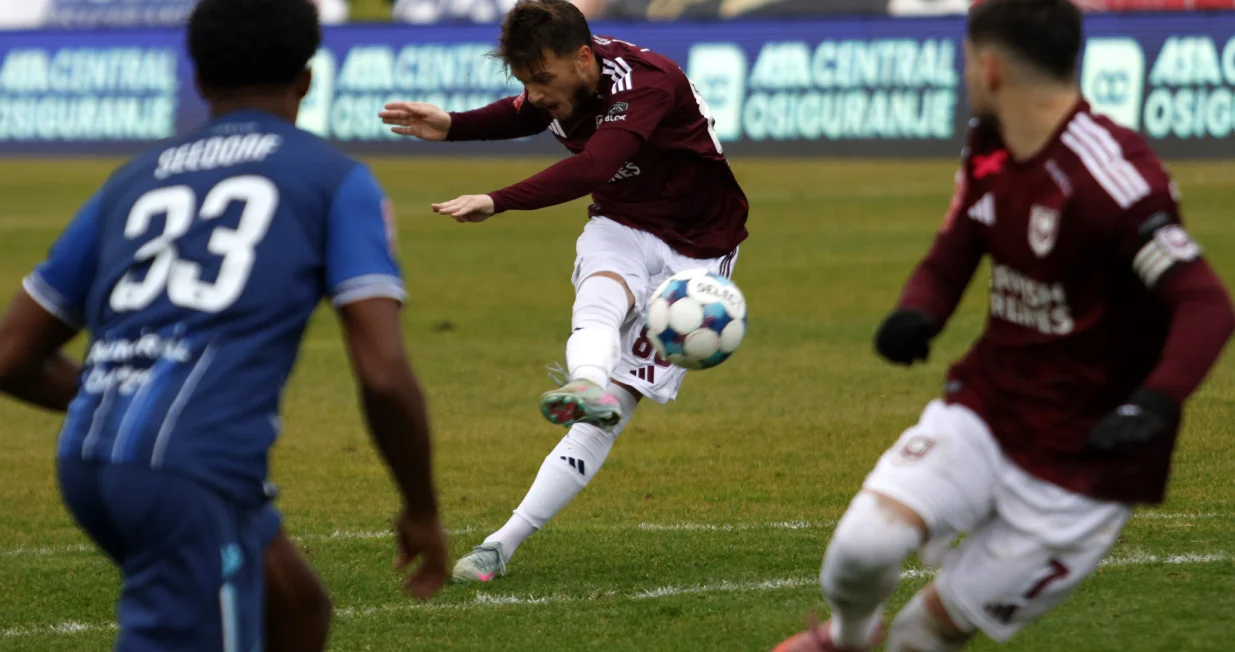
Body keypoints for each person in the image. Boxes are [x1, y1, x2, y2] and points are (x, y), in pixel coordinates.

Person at [774, 1, 1235, 650]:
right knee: (861, 547)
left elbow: (1206, 303)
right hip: (989, 408)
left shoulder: (1110, 178)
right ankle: (844, 639)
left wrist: (1154, 403)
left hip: (1084, 467)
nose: (964, 74)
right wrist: (919, 310)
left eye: (966, 60)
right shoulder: (990, 144)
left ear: (988, 67)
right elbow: (955, 246)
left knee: (917, 641)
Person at [0, 0, 449, 649]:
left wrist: (128, 397)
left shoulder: (129, 181)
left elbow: (11, 355)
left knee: (295, 610)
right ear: (306, 77)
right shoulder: (333, 180)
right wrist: (422, 509)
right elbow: (382, 373)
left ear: (200, 80)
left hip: (89, 460)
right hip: (187, 469)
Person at [379, 0, 748, 582]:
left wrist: (497, 199)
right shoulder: (563, 79)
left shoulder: (648, 83)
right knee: (599, 300)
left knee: (609, 416)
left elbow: (594, 166)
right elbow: (527, 113)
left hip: (697, 252)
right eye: (526, 79)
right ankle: (583, 385)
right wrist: (452, 125)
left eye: (542, 79)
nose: (534, 91)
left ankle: (508, 537)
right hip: (624, 224)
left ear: (582, 59)